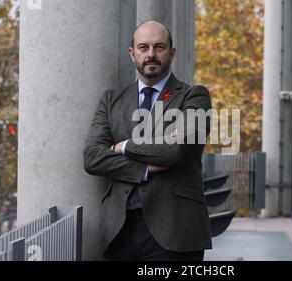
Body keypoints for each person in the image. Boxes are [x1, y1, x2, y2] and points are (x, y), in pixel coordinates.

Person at [83, 20, 212, 261]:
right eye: (143, 47)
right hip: (119, 232)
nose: (151, 54)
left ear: (172, 53)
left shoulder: (194, 97)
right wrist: (144, 167)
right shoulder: (111, 101)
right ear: (133, 54)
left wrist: (123, 146)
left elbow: (177, 149)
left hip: (175, 232)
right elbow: (92, 157)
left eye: (159, 47)